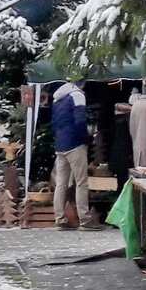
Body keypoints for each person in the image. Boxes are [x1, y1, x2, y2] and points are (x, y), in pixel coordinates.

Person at [50, 81, 93, 230]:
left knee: (61, 183)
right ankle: (85, 220)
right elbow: (80, 120)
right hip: (75, 144)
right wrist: (86, 139)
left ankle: (60, 219)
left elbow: (54, 123)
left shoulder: (57, 98)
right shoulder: (77, 95)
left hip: (60, 145)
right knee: (81, 182)